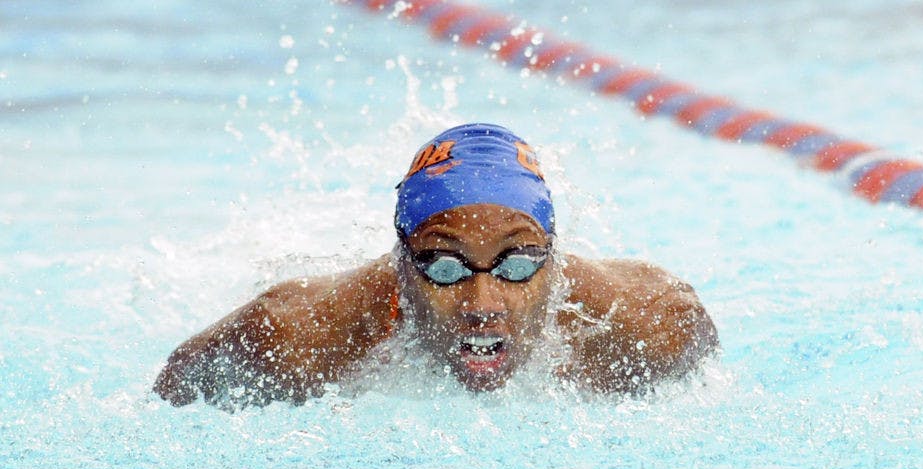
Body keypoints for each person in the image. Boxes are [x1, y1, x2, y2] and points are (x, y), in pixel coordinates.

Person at [153, 123, 718, 408]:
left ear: (554, 257)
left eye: (518, 265)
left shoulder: (655, 325)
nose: (483, 305)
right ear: (401, 262)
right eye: (445, 267)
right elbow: (170, 390)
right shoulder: (293, 337)